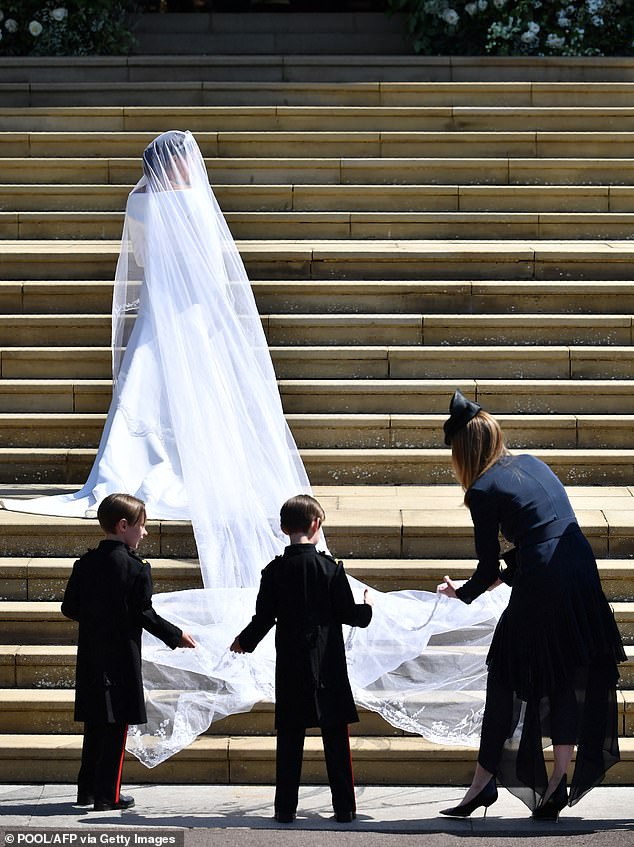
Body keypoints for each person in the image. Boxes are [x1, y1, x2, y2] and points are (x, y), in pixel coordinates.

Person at [437, 390, 626, 820]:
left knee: (504, 670)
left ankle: (483, 783)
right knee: (557, 670)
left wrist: (462, 592)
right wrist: (491, 581)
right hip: (578, 565)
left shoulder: (482, 489)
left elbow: (489, 567)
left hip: (546, 578)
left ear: (463, 451)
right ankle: (558, 780)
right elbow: (541, 536)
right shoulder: (531, 462)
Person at [229, 494, 372, 824]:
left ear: (283, 528)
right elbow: (349, 615)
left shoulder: (274, 571)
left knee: (290, 739)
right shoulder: (330, 568)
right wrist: (367, 608)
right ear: (316, 525)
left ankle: (285, 809)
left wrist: (243, 642)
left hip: (291, 665)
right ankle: (345, 809)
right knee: (335, 737)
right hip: (328, 665)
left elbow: (264, 618)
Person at [61, 493, 196, 811]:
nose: (145, 532)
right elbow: (143, 613)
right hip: (121, 659)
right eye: (142, 526)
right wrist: (176, 636)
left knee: (95, 724)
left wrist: (97, 618)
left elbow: (70, 607)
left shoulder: (85, 563)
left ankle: (88, 790)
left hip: (92, 657)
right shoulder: (136, 569)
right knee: (117, 726)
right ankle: (109, 794)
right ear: (124, 526)